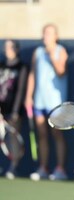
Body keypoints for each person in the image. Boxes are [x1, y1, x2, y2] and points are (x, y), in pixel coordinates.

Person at [25, 23, 69, 181]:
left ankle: (60, 169)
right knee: (42, 134)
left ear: (56, 36)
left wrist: (51, 55)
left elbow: (61, 72)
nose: (46, 36)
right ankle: (43, 167)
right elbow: (32, 74)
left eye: (49, 33)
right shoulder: (37, 52)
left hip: (56, 102)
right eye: (44, 33)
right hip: (39, 101)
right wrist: (28, 96)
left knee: (57, 134)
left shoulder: (60, 51)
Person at [0, 39, 27, 179]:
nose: (7, 50)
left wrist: (15, 111)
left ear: (16, 49)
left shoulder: (22, 67)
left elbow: (21, 90)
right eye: (5, 47)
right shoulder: (1, 65)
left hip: (13, 110)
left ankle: (13, 168)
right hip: (1, 109)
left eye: (9, 47)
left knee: (13, 138)